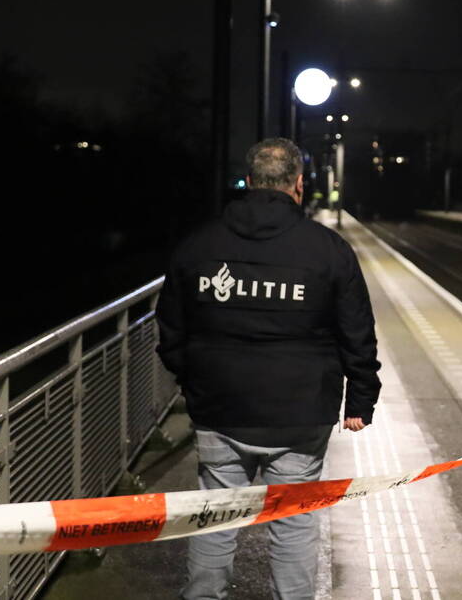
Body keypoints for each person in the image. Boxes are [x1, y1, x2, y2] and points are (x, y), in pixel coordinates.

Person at [156, 137, 382, 600]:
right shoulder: (328, 250)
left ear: (250, 182)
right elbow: (356, 331)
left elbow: (170, 329)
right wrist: (360, 397)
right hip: (300, 413)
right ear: (298, 185)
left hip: (220, 407)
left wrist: (193, 379)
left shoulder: (199, 244)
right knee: (294, 525)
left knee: (215, 520)